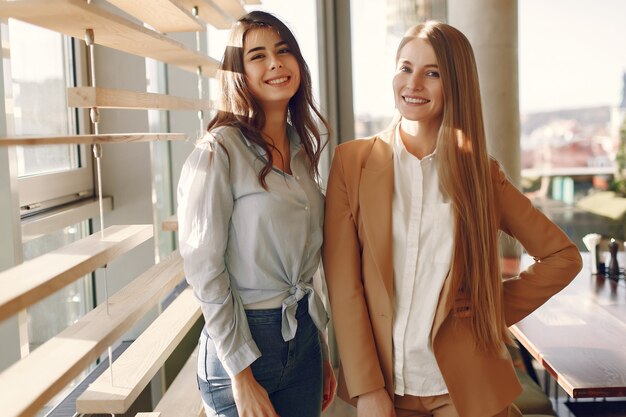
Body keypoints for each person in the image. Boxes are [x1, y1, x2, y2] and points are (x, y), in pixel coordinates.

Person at [322, 21, 582, 417]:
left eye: (432, 73)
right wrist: (368, 388)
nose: (413, 84)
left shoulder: (482, 175)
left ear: (455, 84)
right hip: (384, 389)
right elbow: (344, 284)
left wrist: (490, 306)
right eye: (405, 68)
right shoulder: (351, 163)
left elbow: (563, 255)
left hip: (461, 388)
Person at [177, 11, 336, 417]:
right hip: (244, 344)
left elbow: (306, 263)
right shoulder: (218, 150)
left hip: (303, 339)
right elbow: (204, 269)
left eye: (284, 52)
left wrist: (319, 344)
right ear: (239, 73)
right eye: (258, 56)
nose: (275, 64)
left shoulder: (302, 152)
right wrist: (240, 374)